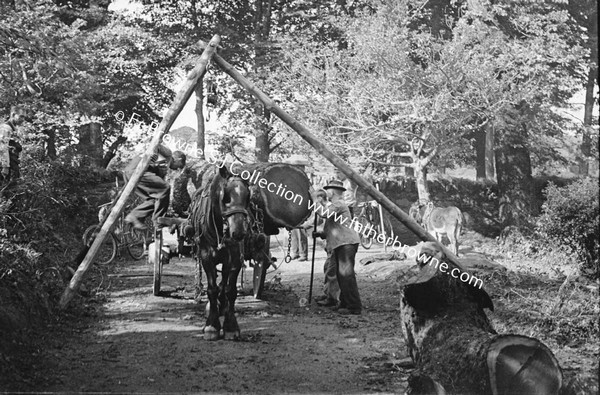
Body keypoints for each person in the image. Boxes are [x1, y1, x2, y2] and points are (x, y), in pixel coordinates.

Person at [314, 179, 362, 315]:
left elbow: (324, 213)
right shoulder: (335, 205)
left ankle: (354, 307)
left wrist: (315, 200)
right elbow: (334, 226)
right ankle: (345, 303)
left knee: (347, 275)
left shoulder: (339, 204)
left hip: (346, 243)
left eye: (327, 190)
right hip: (342, 243)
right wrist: (321, 233)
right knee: (341, 276)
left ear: (333, 192)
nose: (326, 193)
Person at [124, 145, 186, 230]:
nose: (177, 169)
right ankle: (158, 220)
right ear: (179, 160)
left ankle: (135, 216)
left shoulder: (163, 166)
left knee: (154, 199)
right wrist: (151, 156)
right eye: (180, 166)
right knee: (165, 188)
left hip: (130, 173)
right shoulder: (168, 154)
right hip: (138, 169)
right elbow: (156, 146)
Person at [304, 189, 340, 307]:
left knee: (331, 271)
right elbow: (317, 219)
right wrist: (300, 225)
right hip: (331, 243)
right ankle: (329, 293)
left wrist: (314, 200)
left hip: (338, 243)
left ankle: (332, 299)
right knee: (328, 268)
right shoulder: (324, 208)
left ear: (319, 199)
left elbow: (323, 214)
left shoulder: (331, 207)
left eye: (315, 200)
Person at [0, 105, 25, 185]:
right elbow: (3, 147)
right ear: (13, 115)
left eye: (24, 117)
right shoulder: (6, 128)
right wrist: (5, 167)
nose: (23, 119)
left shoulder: (14, 129)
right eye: (21, 116)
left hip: (13, 165)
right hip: (7, 167)